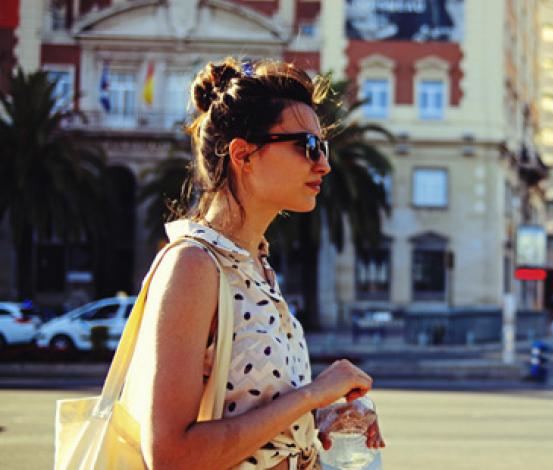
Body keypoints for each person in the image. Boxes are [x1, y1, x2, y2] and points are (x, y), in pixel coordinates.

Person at [121, 57, 383, 469]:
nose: (325, 164)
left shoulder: (255, 266)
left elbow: (245, 414)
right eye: (308, 146)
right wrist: (313, 394)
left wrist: (321, 415)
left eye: (324, 147)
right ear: (244, 155)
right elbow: (171, 456)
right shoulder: (193, 265)